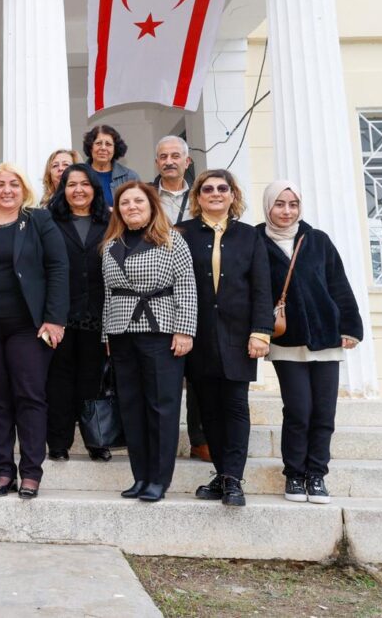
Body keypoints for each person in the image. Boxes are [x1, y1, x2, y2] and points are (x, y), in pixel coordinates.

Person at [0, 163, 67, 499]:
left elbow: (58, 267)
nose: (7, 190)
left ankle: (31, 472)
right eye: (0, 184)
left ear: (24, 189)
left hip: (28, 327)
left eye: (14, 184)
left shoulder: (39, 221)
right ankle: (3, 471)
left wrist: (55, 319)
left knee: (29, 397)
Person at [258, 181, 363, 505]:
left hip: (325, 337)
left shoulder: (317, 240)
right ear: (268, 207)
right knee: (299, 410)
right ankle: (294, 475)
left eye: (292, 204)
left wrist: (350, 326)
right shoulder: (256, 240)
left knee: (323, 412)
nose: (286, 211)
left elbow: (338, 284)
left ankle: (316, 475)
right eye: (279, 204)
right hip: (286, 340)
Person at [177, 170, 273, 507]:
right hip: (197, 334)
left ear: (233, 195)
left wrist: (261, 331)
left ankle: (233, 478)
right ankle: (221, 474)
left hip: (239, 334)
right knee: (207, 410)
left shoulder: (249, 236)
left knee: (234, 406)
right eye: (208, 189)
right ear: (198, 197)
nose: (215, 193)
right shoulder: (183, 233)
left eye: (223, 188)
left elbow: (262, 287)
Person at [101, 182, 197, 503]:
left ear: (152, 204)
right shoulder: (111, 243)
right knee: (131, 408)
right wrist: (107, 336)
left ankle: (159, 479)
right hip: (122, 333)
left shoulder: (172, 240)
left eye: (138, 201)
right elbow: (107, 294)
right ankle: (140, 477)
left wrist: (184, 330)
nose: (131, 207)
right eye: (125, 202)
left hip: (161, 331)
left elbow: (185, 285)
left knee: (161, 407)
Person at [45, 163, 112, 462]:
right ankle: (58, 443)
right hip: (60, 315)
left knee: (92, 381)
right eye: (71, 184)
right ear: (63, 189)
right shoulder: (49, 221)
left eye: (85, 184)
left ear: (94, 188)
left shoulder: (110, 222)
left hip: (99, 315)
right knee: (58, 381)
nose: (78, 190)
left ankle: (97, 440)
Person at [152, 135, 209, 462]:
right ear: (157, 162)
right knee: (162, 376)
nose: (169, 161)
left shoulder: (202, 195)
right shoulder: (145, 195)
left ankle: (200, 438)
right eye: (163, 156)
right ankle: (162, 442)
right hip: (155, 295)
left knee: (199, 371)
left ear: (187, 161)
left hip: (197, 290)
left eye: (176, 155)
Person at [83, 125, 139, 206]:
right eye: (98, 143)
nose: (103, 148)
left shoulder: (130, 177)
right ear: (91, 147)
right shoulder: (78, 175)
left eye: (108, 144)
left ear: (115, 149)